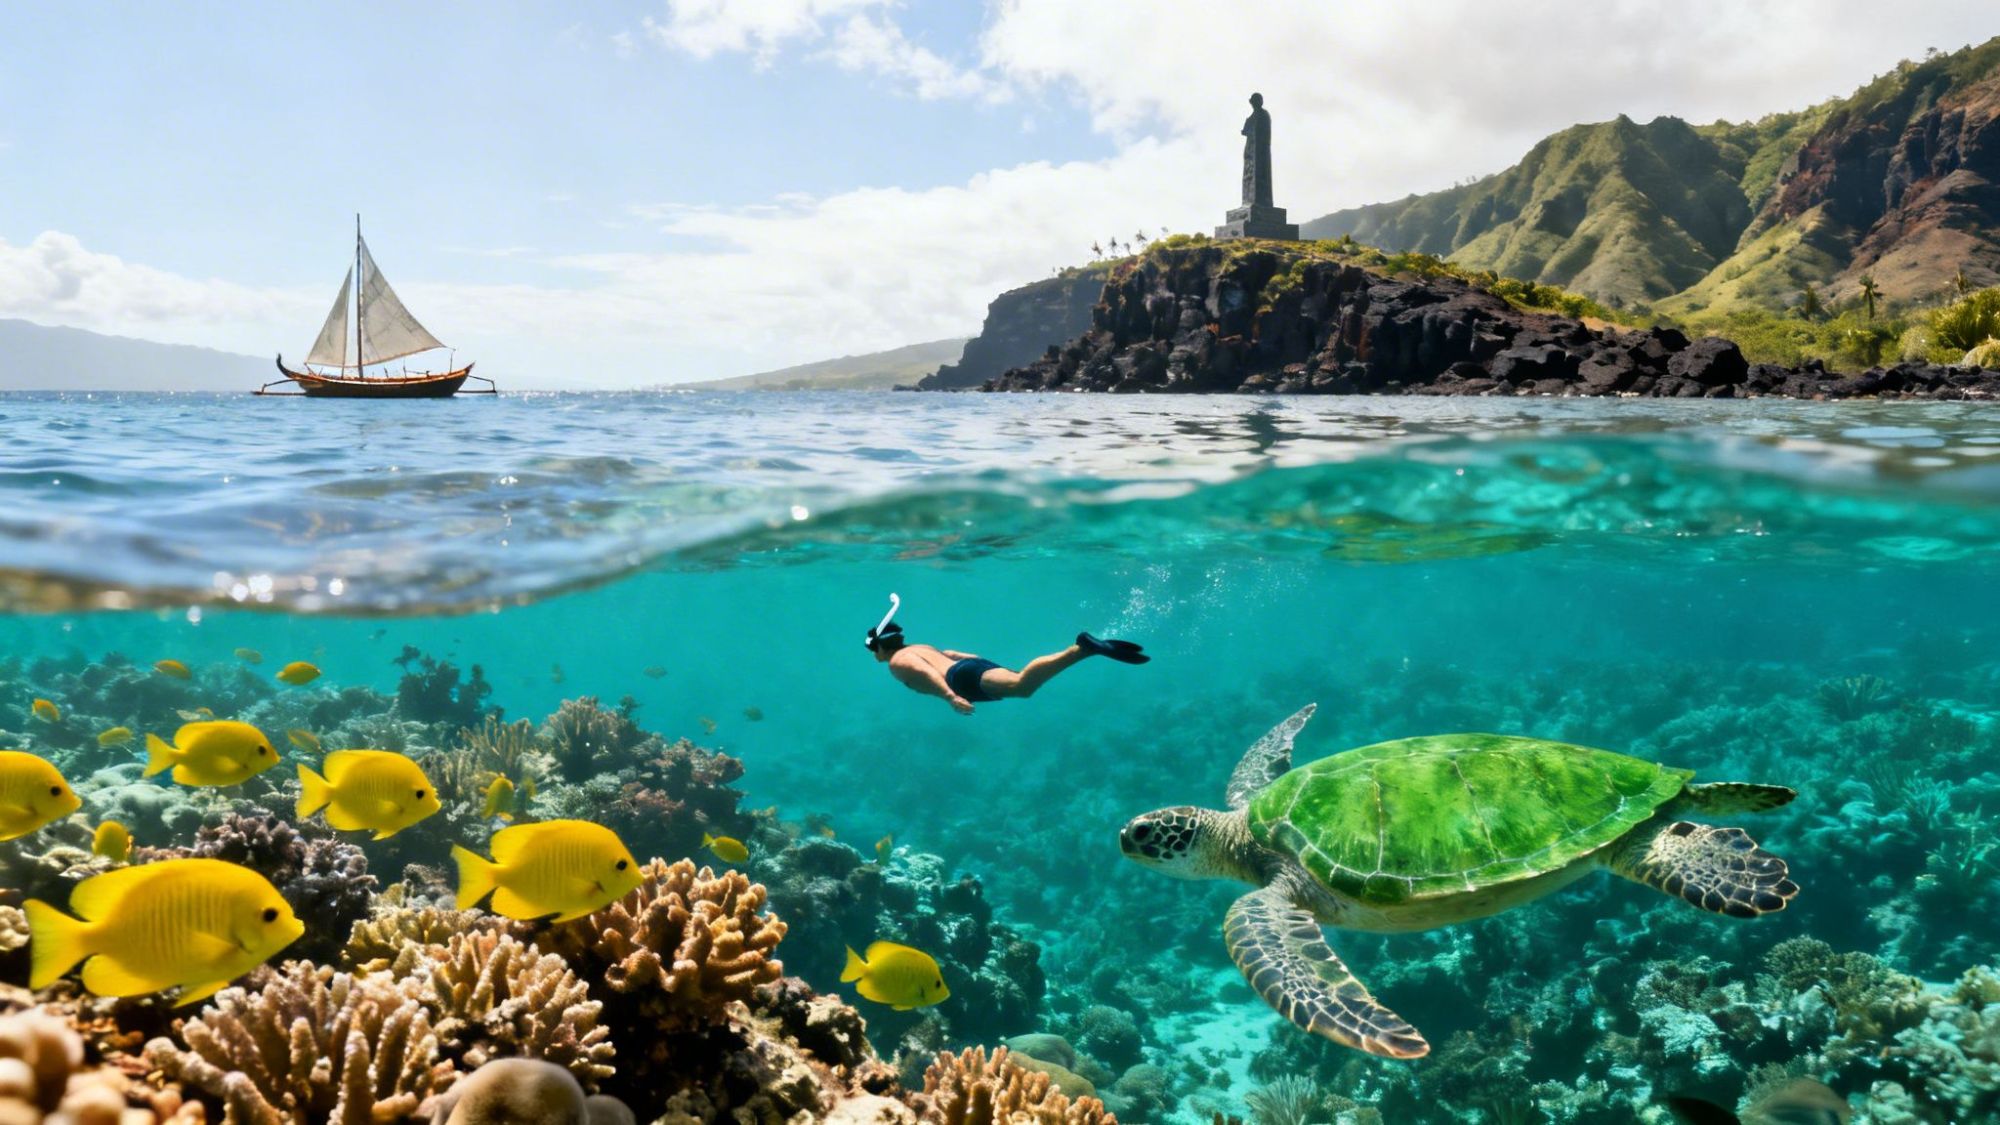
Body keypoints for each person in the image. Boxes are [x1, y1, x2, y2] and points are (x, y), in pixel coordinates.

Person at [863, 594, 1148, 715]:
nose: (873, 655)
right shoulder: (919, 646)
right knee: (1022, 682)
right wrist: (978, 665)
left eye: (872, 650)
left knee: (1022, 686)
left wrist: (951, 697)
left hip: (958, 678)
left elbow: (926, 673)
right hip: (966, 666)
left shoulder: (898, 661)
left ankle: (1082, 648)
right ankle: (1088, 651)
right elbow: (952, 653)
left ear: (880, 647)